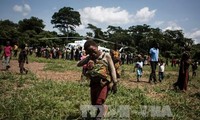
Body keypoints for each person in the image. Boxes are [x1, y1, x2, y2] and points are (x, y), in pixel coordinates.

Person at [77, 40, 117, 119]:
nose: (92, 53)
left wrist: (114, 82)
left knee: (99, 102)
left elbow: (112, 70)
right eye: (89, 52)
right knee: (94, 103)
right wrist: (87, 58)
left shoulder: (106, 56)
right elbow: (79, 64)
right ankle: (103, 108)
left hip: (104, 83)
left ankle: (99, 117)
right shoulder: (90, 57)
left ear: (97, 47)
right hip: (93, 83)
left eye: (93, 51)